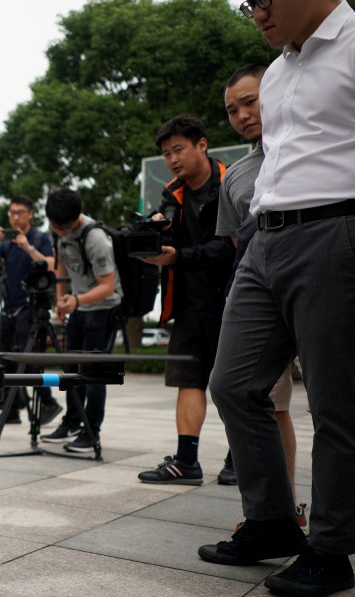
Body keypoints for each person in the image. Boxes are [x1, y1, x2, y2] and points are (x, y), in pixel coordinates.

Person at [201, 0, 355, 597]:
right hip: (264, 240)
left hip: (337, 230)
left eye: (263, 0)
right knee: (233, 382)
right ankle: (271, 520)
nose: (256, 12)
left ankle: (332, 547)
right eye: (248, 4)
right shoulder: (276, 71)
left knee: (337, 402)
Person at [212, 63, 301, 522]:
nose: (243, 114)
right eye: (232, 109)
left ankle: (328, 524)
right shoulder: (237, 174)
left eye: (250, 101)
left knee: (337, 405)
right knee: (265, 401)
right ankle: (276, 513)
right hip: (261, 293)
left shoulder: (314, 147)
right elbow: (236, 243)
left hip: (319, 280)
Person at [136, 115, 235, 485]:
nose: (172, 159)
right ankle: (186, 461)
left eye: (178, 149)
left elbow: (229, 248)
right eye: (166, 154)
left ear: (202, 145)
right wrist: (154, 231)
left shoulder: (231, 183)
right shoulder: (172, 192)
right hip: (189, 301)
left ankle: (238, 457)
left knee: (234, 384)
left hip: (233, 298)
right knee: (189, 380)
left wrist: (179, 256)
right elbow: (171, 240)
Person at [40, 188, 122, 453]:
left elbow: (108, 286)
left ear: (76, 218)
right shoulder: (56, 231)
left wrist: (76, 300)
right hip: (79, 308)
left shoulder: (96, 238)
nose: (61, 232)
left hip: (104, 309)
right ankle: (72, 422)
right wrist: (61, 300)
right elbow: (61, 266)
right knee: (72, 371)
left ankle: (91, 431)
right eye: (56, 227)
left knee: (94, 373)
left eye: (65, 227)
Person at [0, 195, 62, 426]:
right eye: (12, 213)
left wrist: (28, 247)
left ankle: (47, 402)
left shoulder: (40, 237)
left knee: (31, 360)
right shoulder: (5, 245)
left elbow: (52, 265)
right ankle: (11, 409)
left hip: (32, 307)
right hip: (9, 308)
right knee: (6, 361)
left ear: (30, 214)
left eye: (20, 212)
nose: (15, 217)